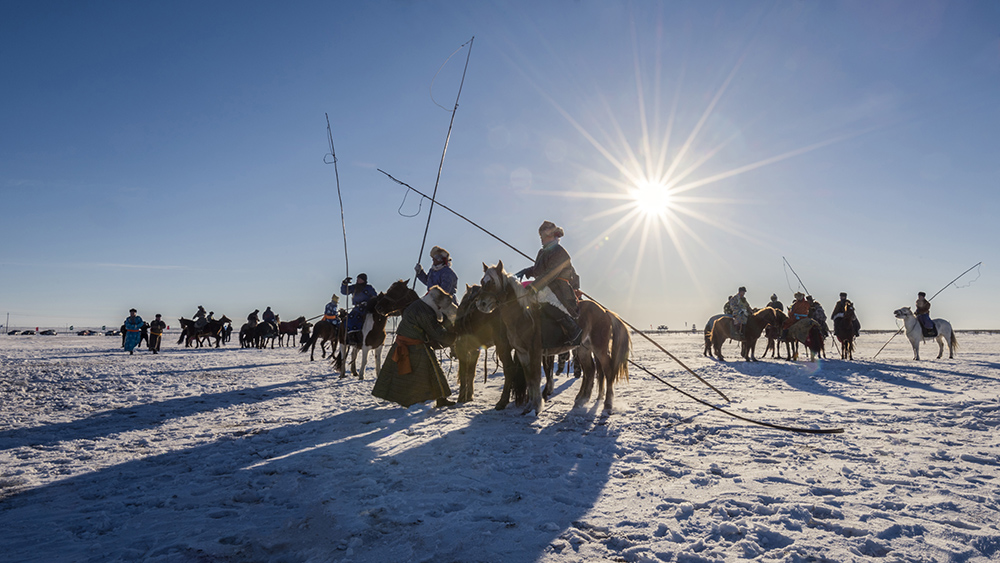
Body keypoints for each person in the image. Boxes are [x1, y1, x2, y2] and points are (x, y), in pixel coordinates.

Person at [372, 285, 458, 408]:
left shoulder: (418, 305)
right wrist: (454, 338)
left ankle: (439, 399)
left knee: (406, 375)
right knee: (433, 371)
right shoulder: (425, 312)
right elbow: (436, 332)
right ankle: (436, 399)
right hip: (414, 346)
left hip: (403, 344)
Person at [515, 220, 582, 346]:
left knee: (544, 298)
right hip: (546, 284)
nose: (541, 239)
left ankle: (573, 329)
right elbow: (539, 270)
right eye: (540, 237)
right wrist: (527, 271)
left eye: (543, 236)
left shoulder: (560, 252)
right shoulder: (542, 252)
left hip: (559, 288)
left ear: (552, 235)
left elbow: (551, 273)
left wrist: (534, 287)